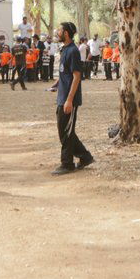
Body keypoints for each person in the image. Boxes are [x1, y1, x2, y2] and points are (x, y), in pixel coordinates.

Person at [51, 22, 93, 176]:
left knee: (66, 132)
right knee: (64, 131)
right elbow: (66, 73)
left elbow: (76, 77)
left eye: (60, 30)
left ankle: (67, 163)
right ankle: (85, 157)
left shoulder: (73, 51)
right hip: (61, 96)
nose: (57, 32)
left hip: (69, 99)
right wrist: (57, 84)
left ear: (66, 33)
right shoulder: (65, 50)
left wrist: (69, 100)